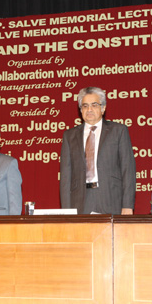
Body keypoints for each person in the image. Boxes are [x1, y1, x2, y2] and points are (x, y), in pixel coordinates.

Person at [60, 86, 136, 215]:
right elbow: (66, 177)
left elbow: (127, 170)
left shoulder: (118, 131)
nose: (89, 109)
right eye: (85, 106)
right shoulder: (69, 136)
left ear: (103, 108)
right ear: (80, 110)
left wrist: (127, 205)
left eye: (94, 105)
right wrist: (66, 210)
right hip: (79, 201)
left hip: (111, 199)